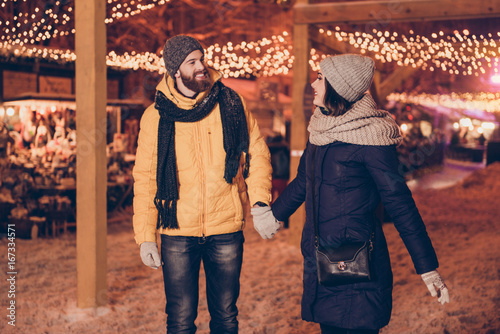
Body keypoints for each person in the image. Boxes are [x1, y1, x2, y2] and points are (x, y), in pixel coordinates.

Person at [252, 54, 450, 334]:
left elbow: (400, 203)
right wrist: (274, 215)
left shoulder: (371, 138)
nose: (313, 84)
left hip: (358, 264)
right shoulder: (320, 129)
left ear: (338, 87)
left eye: (320, 78)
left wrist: (427, 266)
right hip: (321, 258)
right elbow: (303, 182)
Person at [132, 35, 278, 334]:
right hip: (177, 231)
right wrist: (145, 235)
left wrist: (261, 201)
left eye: (202, 59)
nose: (202, 67)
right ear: (175, 71)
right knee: (181, 319)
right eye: (192, 62)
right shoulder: (155, 117)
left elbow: (256, 154)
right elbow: (146, 179)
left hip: (225, 227)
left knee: (225, 316)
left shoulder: (231, 103)